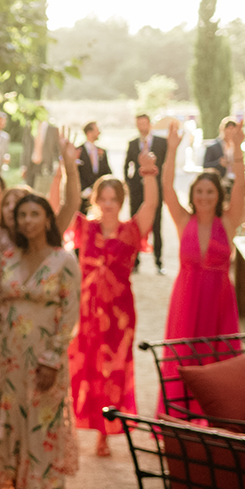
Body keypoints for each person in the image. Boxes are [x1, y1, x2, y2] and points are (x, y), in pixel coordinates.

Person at [0, 191, 82, 489]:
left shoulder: (64, 260)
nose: (27, 221)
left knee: (42, 429)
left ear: (48, 219)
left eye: (34, 214)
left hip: (44, 359)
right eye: (22, 215)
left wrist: (52, 359)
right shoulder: (8, 257)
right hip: (8, 358)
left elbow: (70, 314)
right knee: (11, 425)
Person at [69, 156, 159, 455]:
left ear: (121, 201)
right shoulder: (84, 228)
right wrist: (65, 170)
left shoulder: (132, 230)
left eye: (114, 199)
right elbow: (61, 206)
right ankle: (76, 425)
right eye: (103, 198)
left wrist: (148, 172)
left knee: (113, 369)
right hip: (86, 310)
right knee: (83, 365)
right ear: (95, 200)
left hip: (119, 313)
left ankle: (104, 432)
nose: (108, 204)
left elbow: (151, 205)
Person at [158, 118, 244, 406]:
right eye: (199, 191)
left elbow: (241, 187)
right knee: (183, 356)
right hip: (187, 296)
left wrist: (238, 148)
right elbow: (167, 188)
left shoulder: (228, 222)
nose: (204, 196)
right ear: (192, 195)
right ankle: (181, 413)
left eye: (210, 191)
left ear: (218, 195)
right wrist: (172, 149)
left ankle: (218, 416)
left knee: (220, 359)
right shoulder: (183, 221)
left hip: (220, 299)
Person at [124, 114, 168, 274]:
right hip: (137, 191)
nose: (142, 127)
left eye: (144, 124)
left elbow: (167, 165)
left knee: (157, 226)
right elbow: (126, 165)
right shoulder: (132, 143)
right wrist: (130, 184)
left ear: (149, 124)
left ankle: (158, 262)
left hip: (155, 190)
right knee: (135, 226)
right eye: (139, 124)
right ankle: (135, 262)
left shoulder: (162, 142)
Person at [74, 122, 110, 204]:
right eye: (97, 130)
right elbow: (76, 172)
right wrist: (85, 190)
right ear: (89, 133)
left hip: (100, 195)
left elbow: (107, 172)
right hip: (82, 196)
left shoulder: (102, 151)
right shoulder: (78, 151)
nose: (99, 133)